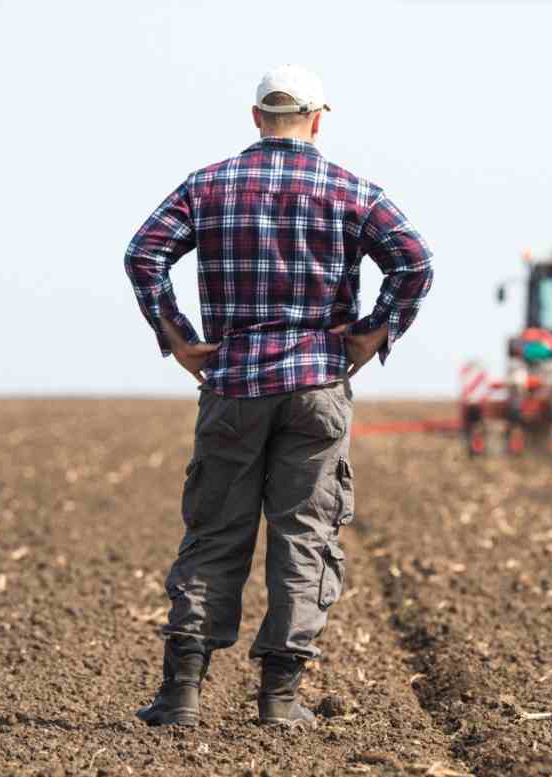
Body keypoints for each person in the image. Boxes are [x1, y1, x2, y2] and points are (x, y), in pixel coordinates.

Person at [123, 64, 433, 727]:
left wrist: (178, 338)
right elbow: (415, 262)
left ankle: (181, 697)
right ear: (319, 119)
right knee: (306, 536)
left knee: (215, 534)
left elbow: (143, 254)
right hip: (318, 384)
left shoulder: (208, 186)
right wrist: (374, 332)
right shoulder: (354, 192)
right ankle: (281, 700)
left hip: (233, 383)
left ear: (256, 117)